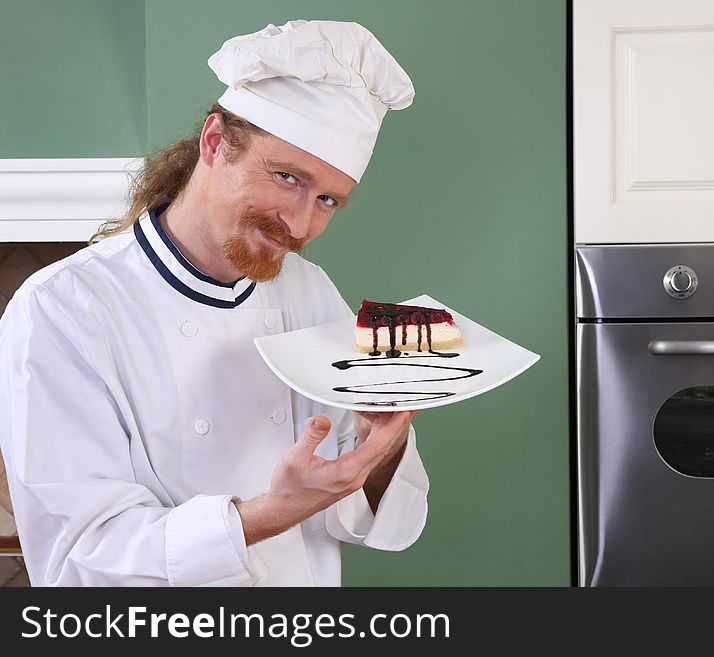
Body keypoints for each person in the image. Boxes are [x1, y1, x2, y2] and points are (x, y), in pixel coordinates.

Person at [0, 20, 429, 586]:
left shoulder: (309, 290)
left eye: (328, 199)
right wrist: (275, 510)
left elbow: (374, 519)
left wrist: (384, 437)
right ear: (214, 143)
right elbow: (85, 553)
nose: (302, 222)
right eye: (286, 177)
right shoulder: (63, 309)